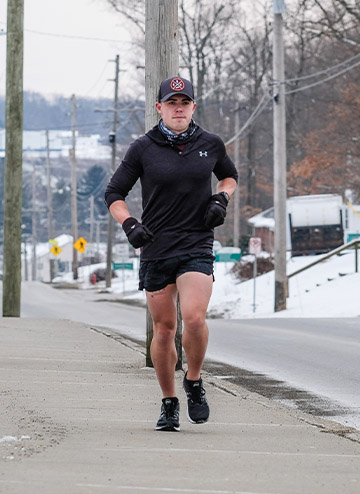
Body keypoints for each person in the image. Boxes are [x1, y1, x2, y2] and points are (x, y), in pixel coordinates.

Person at [105, 76, 238, 431]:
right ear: (159, 107)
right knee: (164, 329)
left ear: (193, 107)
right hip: (156, 248)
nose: (178, 109)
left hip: (196, 243)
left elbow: (229, 177)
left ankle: (193, 381)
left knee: (194, 318)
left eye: (185, 103)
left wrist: (220, 199)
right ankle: (169, 402)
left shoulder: (210, 144)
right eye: (171, 103)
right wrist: (130, 224)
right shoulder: (142, 148)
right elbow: (114, 193)